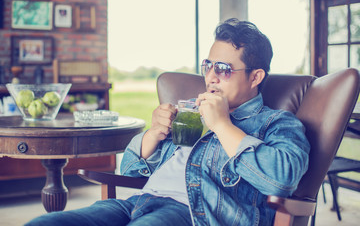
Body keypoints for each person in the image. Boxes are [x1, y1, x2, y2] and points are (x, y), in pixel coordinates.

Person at [26, 18, 310, 226]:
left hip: (196, 215)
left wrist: (223, 126)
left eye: (223, 69)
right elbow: (131, 171)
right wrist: (153, 134)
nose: (210, 76)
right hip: (137, 204)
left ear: (255, 77)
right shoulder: (190, 116)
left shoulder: (275, 123)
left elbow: (281, 179)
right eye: (208, 65)